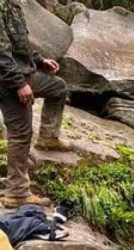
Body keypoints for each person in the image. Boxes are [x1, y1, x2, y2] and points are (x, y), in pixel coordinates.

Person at [0, 0, 71, 209]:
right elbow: (1, 53)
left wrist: (39, 60)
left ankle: (48, 137)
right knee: (20, 133)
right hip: (7, 81)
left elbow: (20, 44)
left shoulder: (13, 6)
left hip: (20, 74)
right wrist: (19, 83)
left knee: (58, 87)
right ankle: (17, 192)